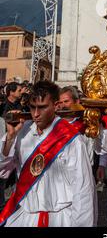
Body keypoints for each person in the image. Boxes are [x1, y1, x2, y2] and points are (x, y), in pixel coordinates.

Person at [0, 80, 97, 227]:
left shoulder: (71, 139)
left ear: (56, 105)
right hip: (25, 217)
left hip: (60, 218)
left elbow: (83, 189)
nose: (36, 114)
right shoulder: (21, 132)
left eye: (42, 107)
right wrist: (10, 137)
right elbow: (2, 171)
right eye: (33, 107)